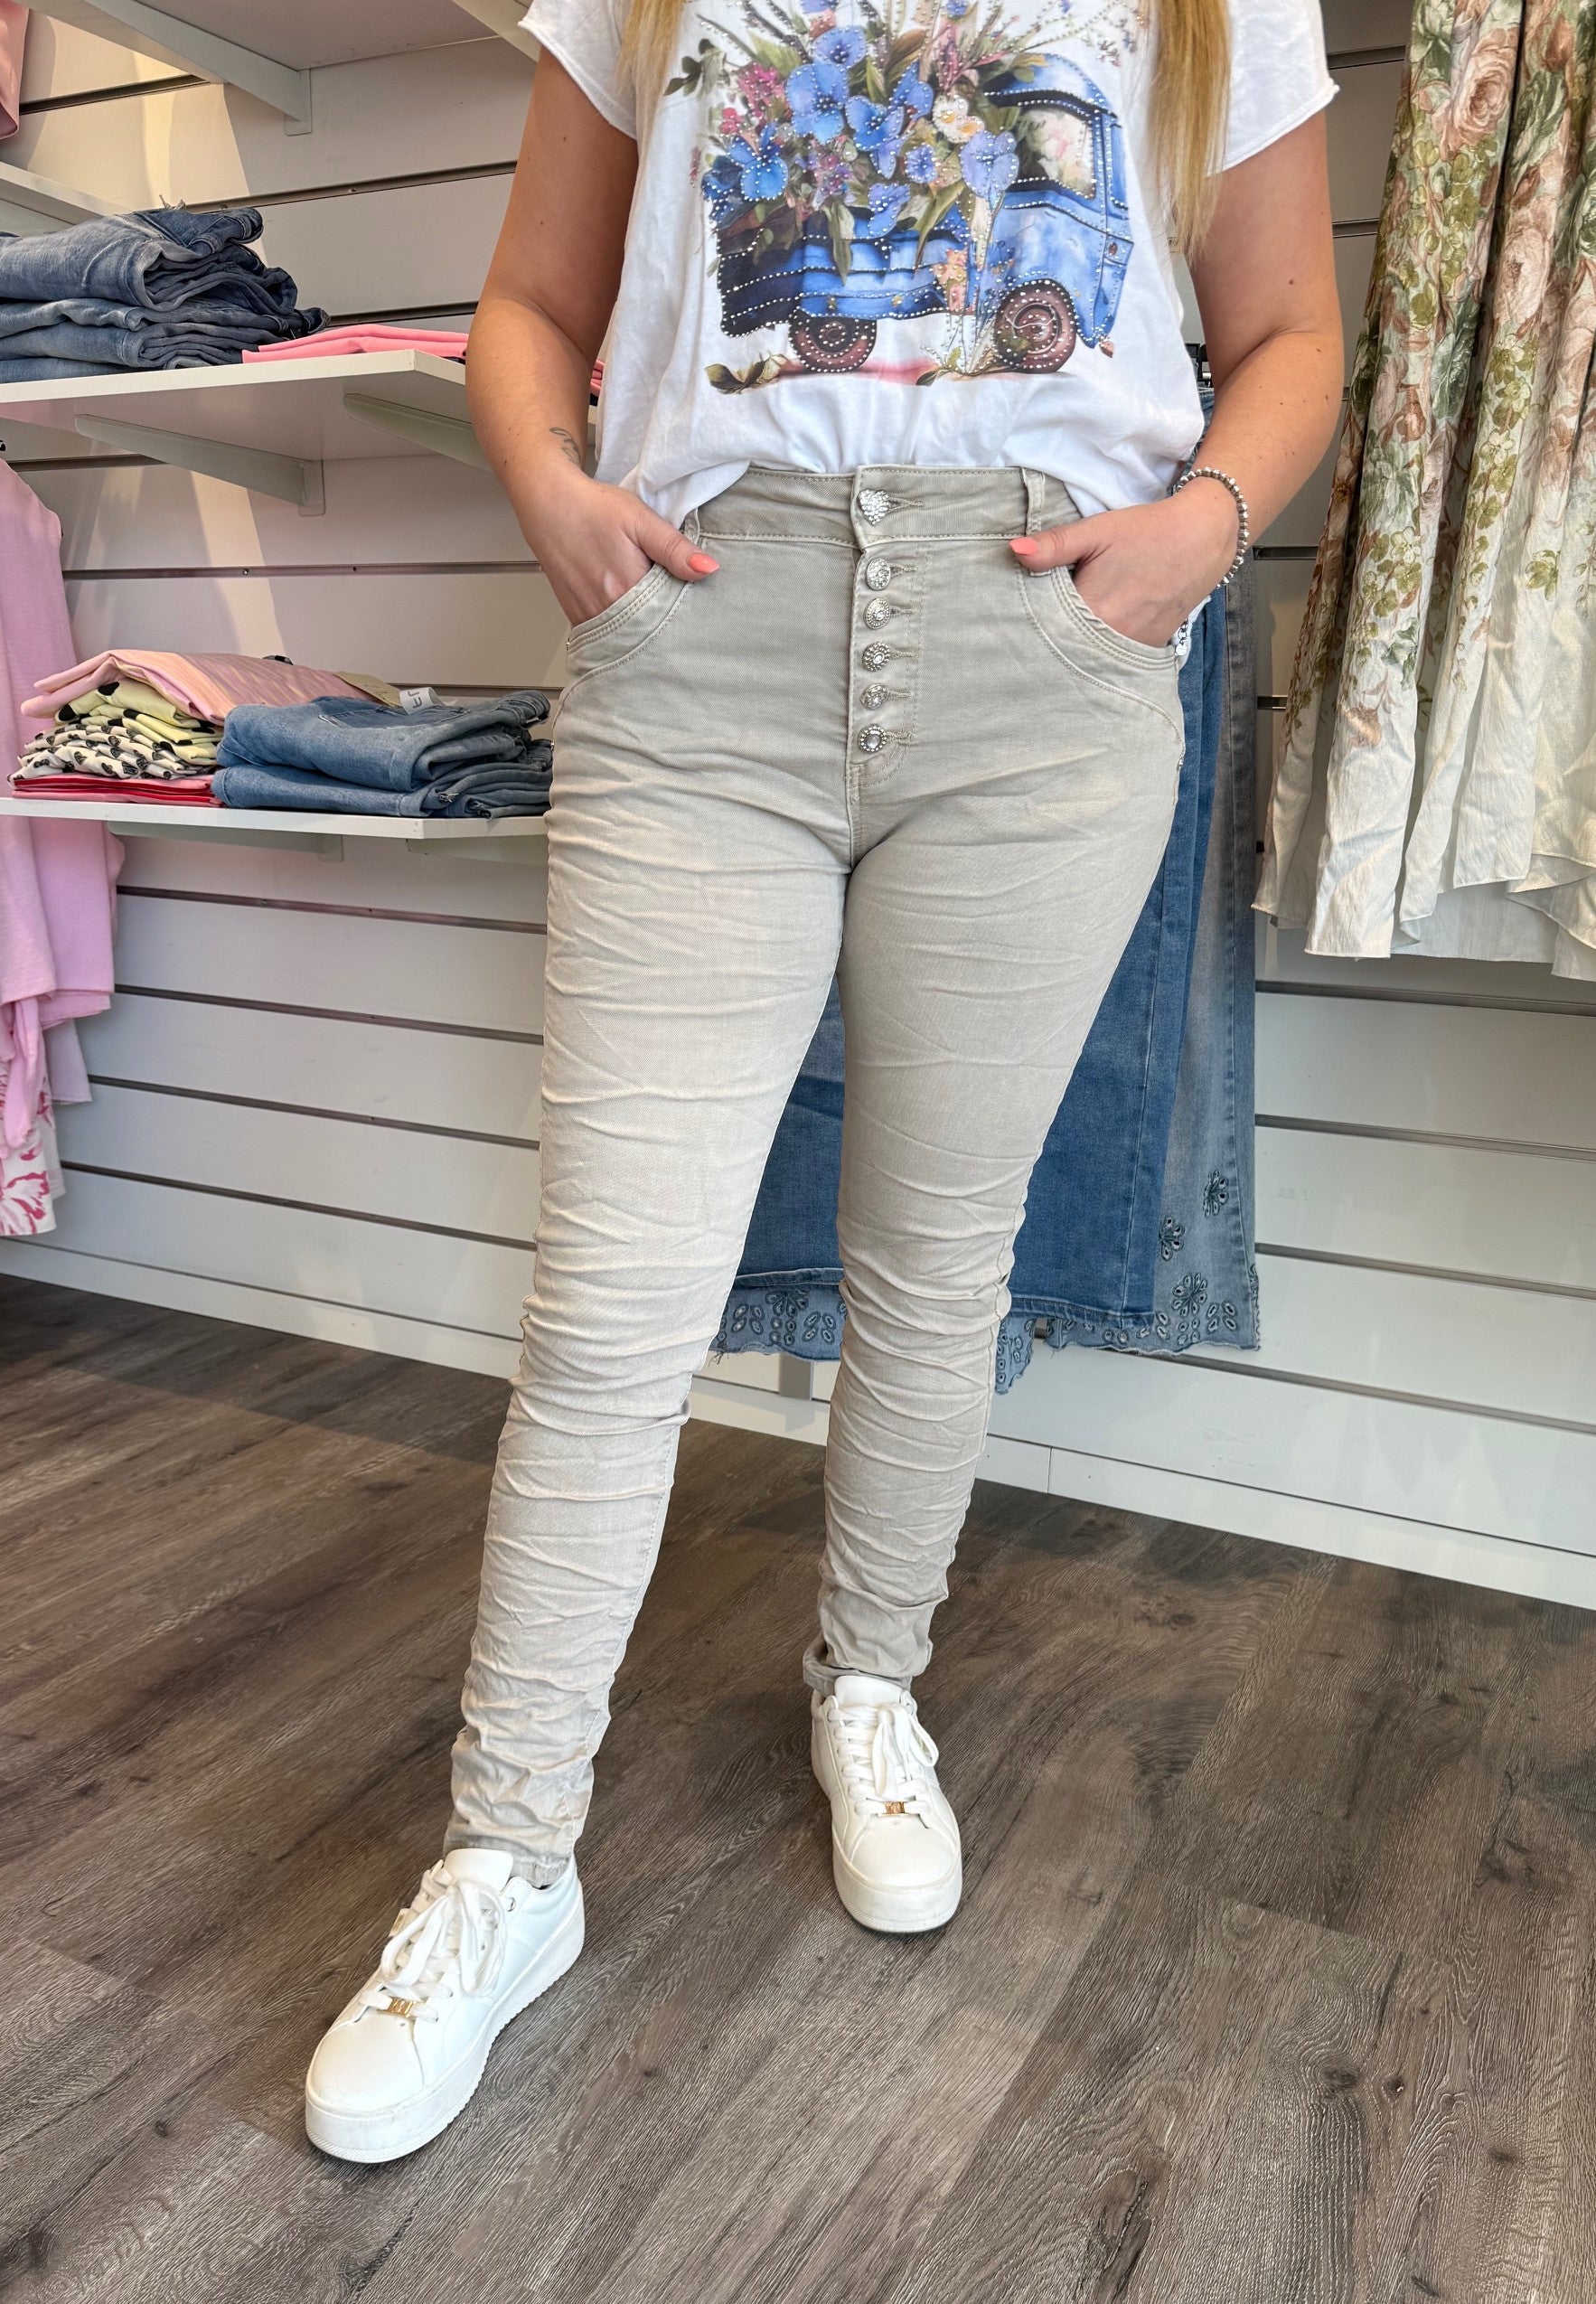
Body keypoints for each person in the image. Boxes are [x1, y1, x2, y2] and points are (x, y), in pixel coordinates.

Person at [305, 0, 1342, 2162]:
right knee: (612, 1304)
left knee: (936, 1265)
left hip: (1043, 647)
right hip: (709, 635)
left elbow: (1288, 336)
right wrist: (549, 491)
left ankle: (868, 1686)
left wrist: (1198, 529)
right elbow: (531, 301)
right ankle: (508, 1857)